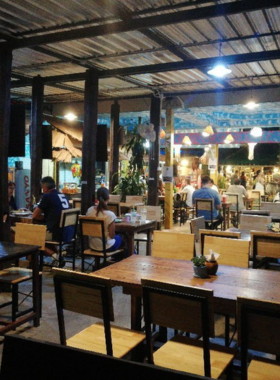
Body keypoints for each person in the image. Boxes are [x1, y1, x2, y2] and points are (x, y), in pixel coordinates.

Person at [32, 176, 72, 260]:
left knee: (32, 236)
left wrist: (43, 218)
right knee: (45, 232)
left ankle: (55, 256)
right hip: (69, 232)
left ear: (45, 188)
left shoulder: (47, 196)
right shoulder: (63, 195)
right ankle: (58, 255)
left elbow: (34, 215)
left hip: (58, 234)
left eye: (42, 187)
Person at [86, 187, 122, 253]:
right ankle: (120, 261)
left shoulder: (89, 210)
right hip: (106, 247)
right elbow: (111, 236)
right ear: (108, 198)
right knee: (123, 237)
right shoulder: (110, 215)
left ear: (97, 198)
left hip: (92, 245)